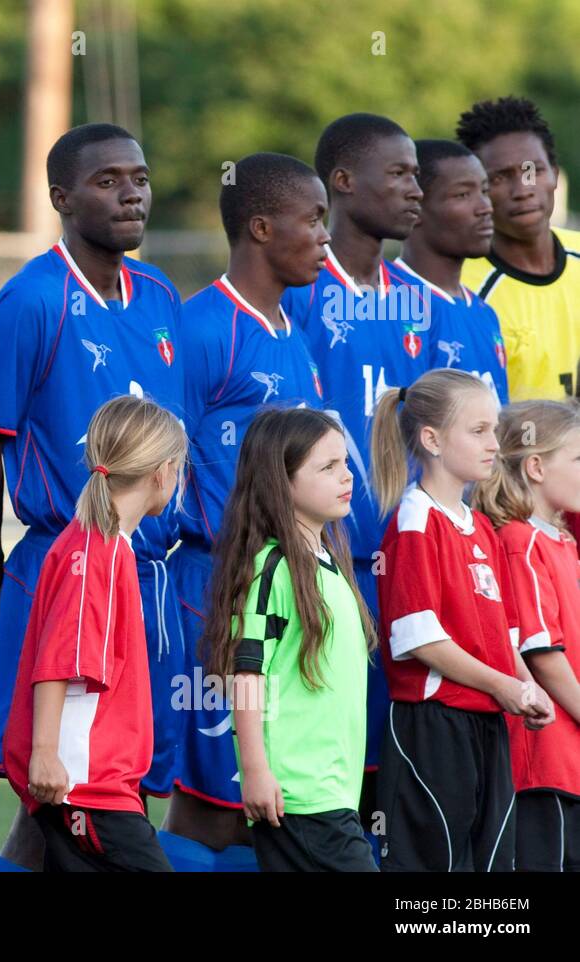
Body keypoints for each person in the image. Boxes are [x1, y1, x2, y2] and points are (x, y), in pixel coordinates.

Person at [0, 123, 185, 871]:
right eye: (108, 180)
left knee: (111, 786)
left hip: (144, 569)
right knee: (61, 792)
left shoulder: (162, 295)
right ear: (61, 197)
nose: (131, 192)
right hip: (65, 567)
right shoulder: (31, 299)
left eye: (140, 176)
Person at [166, 152, 328, 871]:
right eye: (313, 219)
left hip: (284, 581)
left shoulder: (294, 328)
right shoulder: (201, 328)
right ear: (261, 227)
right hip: (217, 584)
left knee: (266, 797)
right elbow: (165, 459)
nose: (326, 235)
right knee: (211, 798)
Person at [282, 113, 431, 850]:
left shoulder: (418, 298)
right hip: (320, 567)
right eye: (399, 173)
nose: (416, 187)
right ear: (343, 182)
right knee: (305, 780)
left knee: (391, 777)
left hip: (408, 568)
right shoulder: (300, 293)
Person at [370, 368, 552, 871]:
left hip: (488, 721)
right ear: (430, 439)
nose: (494, 444)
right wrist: (503, 686)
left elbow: (502, 637)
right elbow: (422, 640)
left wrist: (525, 686)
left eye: (494, 429)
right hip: (434, 727)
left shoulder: (481, 529)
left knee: (490, 863)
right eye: (478, 431)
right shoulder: (414, 522)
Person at [4, 395, 184, 872]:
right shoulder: (96, 552)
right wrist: (43, 753)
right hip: (87, 786)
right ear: (162, 472)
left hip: (96, 782)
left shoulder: (106, 546)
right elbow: (62, 660)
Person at [203, 407, 377, 872]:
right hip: (298, 794)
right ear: (282, 482)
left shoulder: (328, 560)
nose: (346, 476)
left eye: (344, 462)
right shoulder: (272, 567)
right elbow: (246, 673)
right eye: (327, 467)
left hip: (332, 792)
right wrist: (256, 770)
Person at [474, 400, 580, 871]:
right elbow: (542, 654)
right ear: (536, 466)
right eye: (577, 459)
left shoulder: (560, 540)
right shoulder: (520, 541)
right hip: (547, 759)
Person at [457, 97, 580, 400]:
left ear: (554, 173)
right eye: (499, 177)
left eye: (533, 171)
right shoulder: (464, 295)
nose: (523, 190)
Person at [389, 140, 508, 403]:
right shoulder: (389, 304)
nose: (485, 207)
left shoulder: (484, 313)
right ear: (415, 206)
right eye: (462, 195)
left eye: (485, 191)